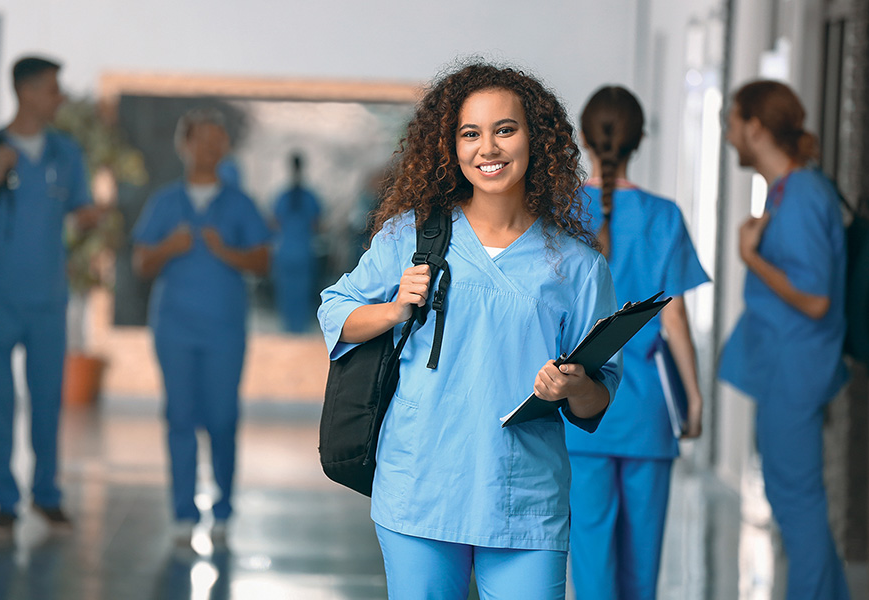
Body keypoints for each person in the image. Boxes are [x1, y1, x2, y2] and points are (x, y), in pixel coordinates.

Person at [318, 62, 621, 600]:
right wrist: (393, 310)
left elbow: (597, 397)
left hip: (523, 501)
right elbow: (335, 311)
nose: (489, 148)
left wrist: (573, 386)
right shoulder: (411, 236)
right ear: (451, 147)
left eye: (506, 129)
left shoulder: (576, 266)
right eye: (470, 133)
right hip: (421, 487)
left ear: (536, 139)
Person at [563, 86, 709, 600]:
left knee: (590, 561)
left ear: (583, 137)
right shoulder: (663, 216)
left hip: (581, 417)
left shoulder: (560, 214)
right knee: (641, 570)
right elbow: (676, 322)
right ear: (640, 140)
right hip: (648, 414)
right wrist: (693, 399)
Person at [719, 80, 850, 599]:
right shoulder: (786, 190)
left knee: (797, 501)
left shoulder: (801, 196)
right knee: (791, 494)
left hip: (798, 368)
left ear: (755, 126)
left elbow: (816, 298)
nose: (729, 135)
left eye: (732, 123)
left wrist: (752, 259)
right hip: (785, 366)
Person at [0, 55, 100, 541]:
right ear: (25, 92)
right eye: (52, 89)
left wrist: (90, 215)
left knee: (47, 402)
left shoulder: (67, 152)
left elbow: (79, 206)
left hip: (48, 300)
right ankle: (3, 504)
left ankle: (46, 496)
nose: (59, 97)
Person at [132, 109, 270, 545]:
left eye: (218, 140)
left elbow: (263, 262)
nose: (211, 148)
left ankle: (224, 509)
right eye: (202, 140)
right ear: (184, 145)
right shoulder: (165, 203)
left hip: (224, 329)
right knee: (179, 417)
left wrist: (228, 252)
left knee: (223, 418)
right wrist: (169, 247)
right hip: (174, 327)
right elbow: (140, 263)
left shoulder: (240, 204)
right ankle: (182, 513)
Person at [271, 152, 322, 333]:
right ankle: (299, 328)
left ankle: (289, 327)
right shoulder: (310, 197)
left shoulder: (282, 197)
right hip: (303, 251)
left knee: (287, 291)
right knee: (302, 291)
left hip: (286, 251)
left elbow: (274, 223)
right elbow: (317, 225)